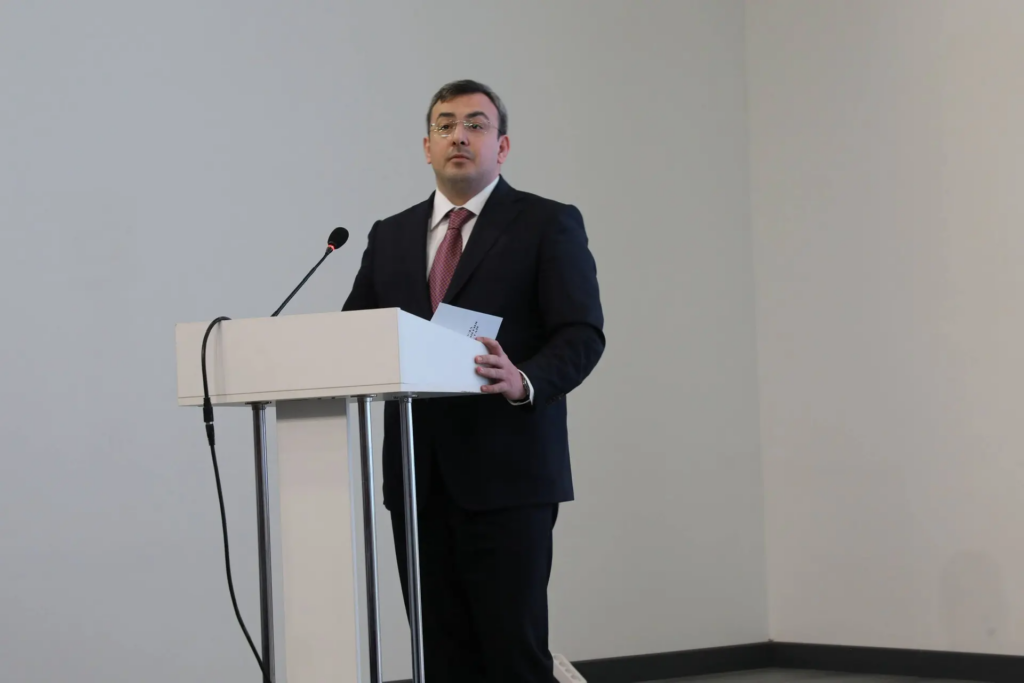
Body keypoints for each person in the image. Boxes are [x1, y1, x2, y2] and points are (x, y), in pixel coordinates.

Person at [342, 79, 605, 683]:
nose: (459, 135)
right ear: (427, 147)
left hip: (509, 475)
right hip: (417, 479)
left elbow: (581, 333)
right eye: (445, 125)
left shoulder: (546, 223)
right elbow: (357, 332)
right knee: (439, 657)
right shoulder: (390, 234)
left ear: (502, 146)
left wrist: (524, 378)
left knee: (512, 654)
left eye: (476, 124)